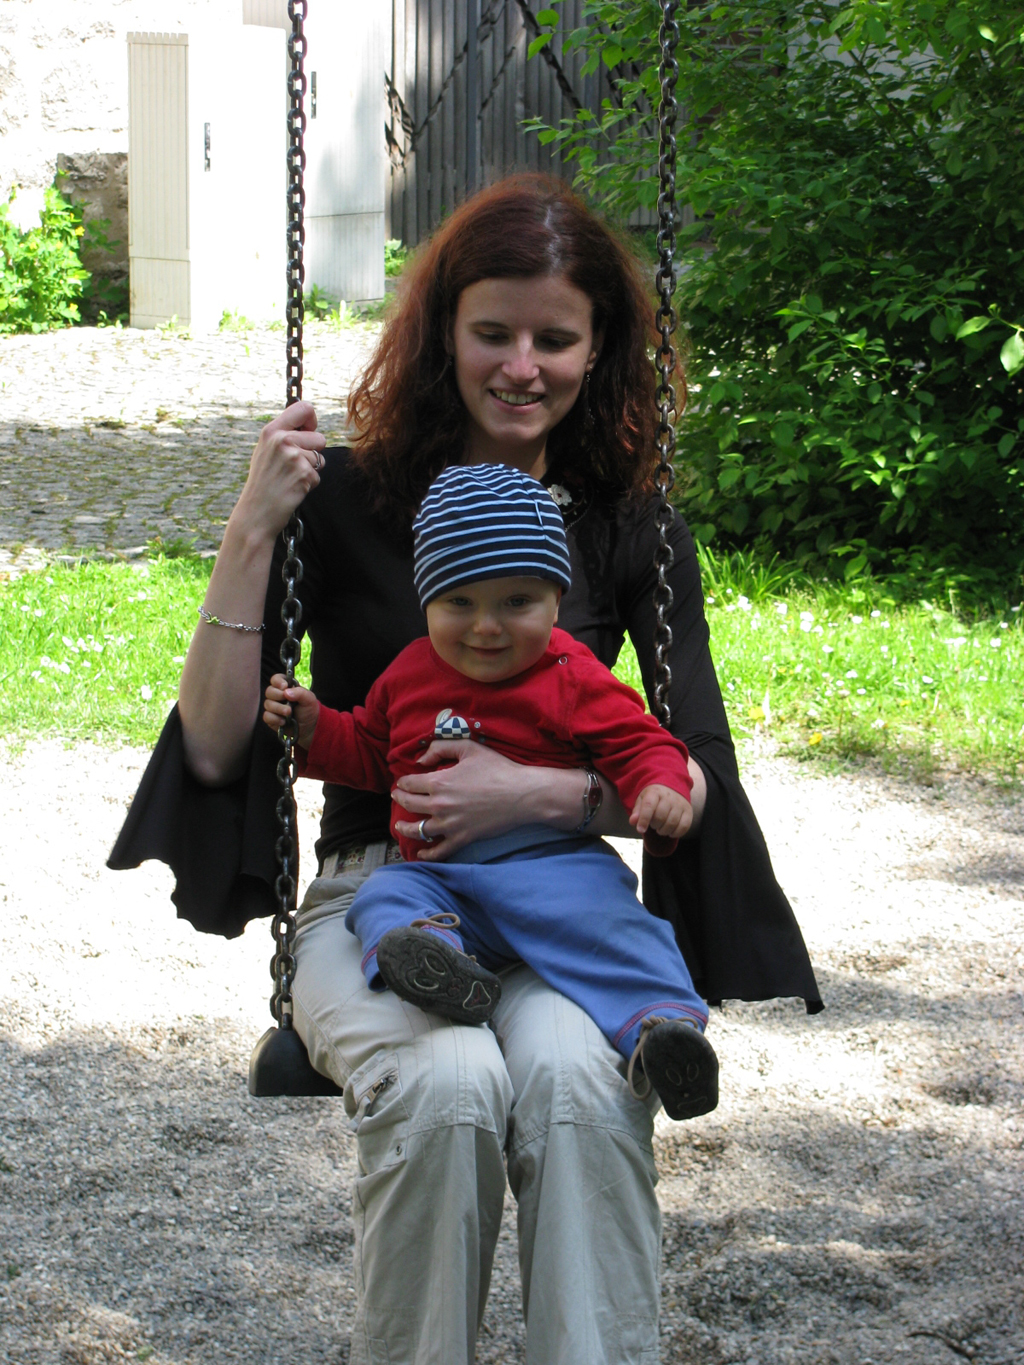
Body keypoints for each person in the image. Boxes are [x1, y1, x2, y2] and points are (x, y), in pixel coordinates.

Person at [110, 174, 821, 1365]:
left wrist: (544, 795)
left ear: (599, 349)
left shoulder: (629, 530)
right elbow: (224, 743)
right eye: (494, 332)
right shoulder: (342, 500)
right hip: (382, 895)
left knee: (580, 1089)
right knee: (446, 1086)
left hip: (554, 899)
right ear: (445, 332)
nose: (522, 367)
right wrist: (251, 527)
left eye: (556, 339)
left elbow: (696, 773)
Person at [263, 462, 720, 1122]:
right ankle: (438, 966)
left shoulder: (571, 675)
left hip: (555, 871)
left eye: (516, 602)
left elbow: (640, 740)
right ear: (426, 602)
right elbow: (371, 751)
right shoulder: (409, 675)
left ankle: (666, 1032)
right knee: (383, 897)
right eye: (460, 603)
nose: (486, 627)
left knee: (620, 930)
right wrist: (313, 730)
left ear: (556, 601)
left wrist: (659, 786)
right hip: (445, 884)